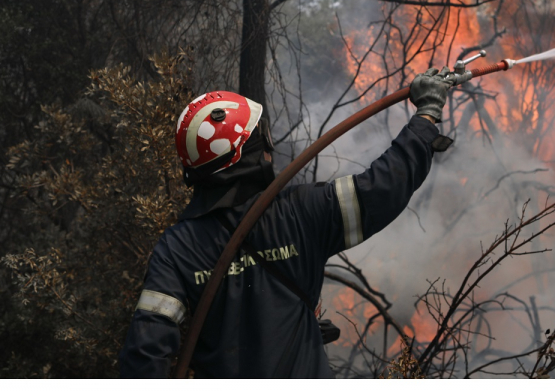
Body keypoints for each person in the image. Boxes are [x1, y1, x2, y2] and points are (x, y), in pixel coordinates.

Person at [118, 68, 453, 377]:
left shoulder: (177, 247)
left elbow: (146, 352)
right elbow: (382, 189)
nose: (268, 148)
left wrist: (298, 326)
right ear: (246, 151)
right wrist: (426, 116)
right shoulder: (300, 211)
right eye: (260, 138)